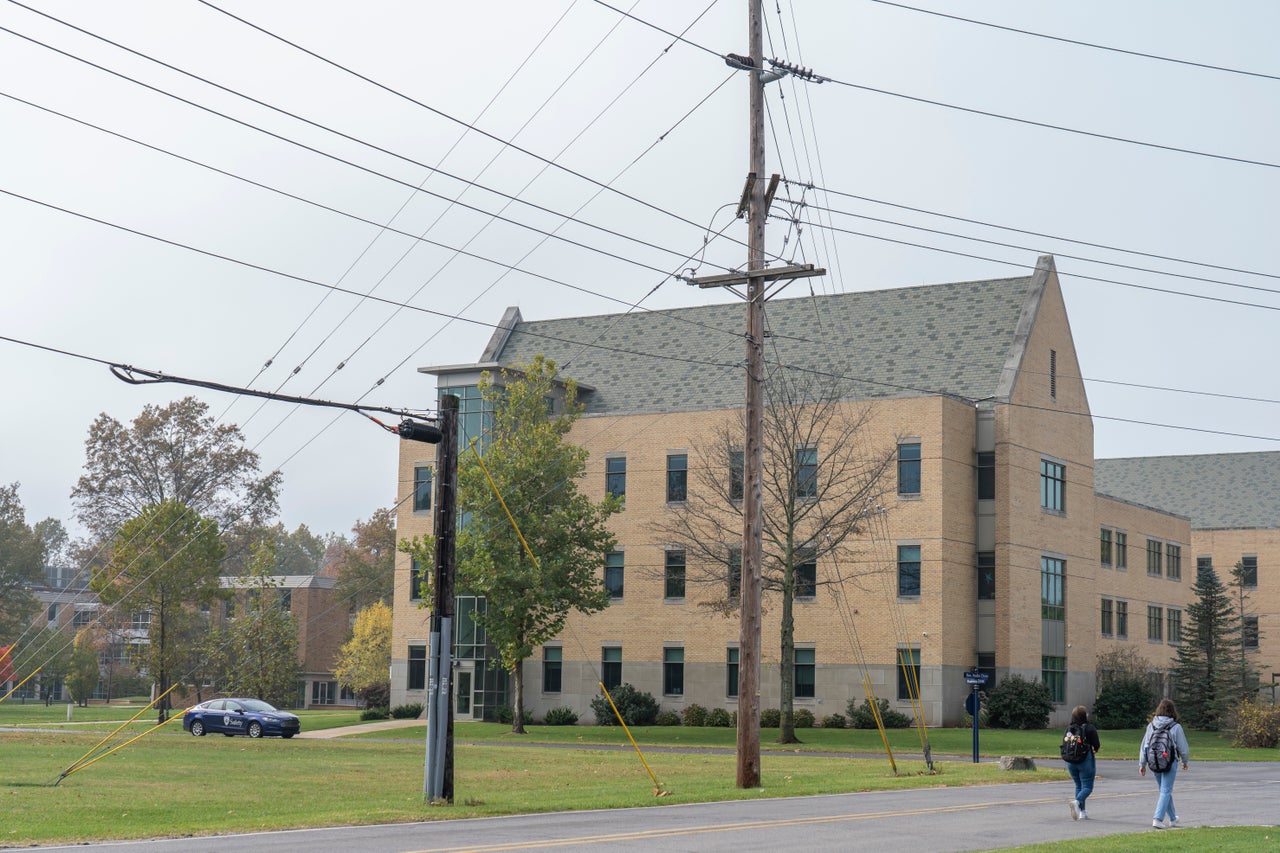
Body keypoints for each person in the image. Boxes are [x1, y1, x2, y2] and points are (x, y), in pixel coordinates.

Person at [1139, 698, 1191, 829]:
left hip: (1154, 761)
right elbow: (1182, 747)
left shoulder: (1151, 725)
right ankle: (1157, 818)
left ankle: (1173, 818)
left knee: (1164, 790)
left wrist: (1142, 764)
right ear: (1173, 711)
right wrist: (1185, 761)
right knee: (1166, 790)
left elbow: (1145, 746)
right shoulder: (1175, 726)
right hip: (1169, 761)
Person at [1065, 705, 1101, 820]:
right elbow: (1096, 744)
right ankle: (1077, 802)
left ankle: (1082, 812)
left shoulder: (1069, 728)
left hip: (1070, 761)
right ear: (1084, 716)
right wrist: (1095, 749)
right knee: (1087, 786)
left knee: (1078, 785)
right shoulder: (1089, 728)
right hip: (1085, 760)